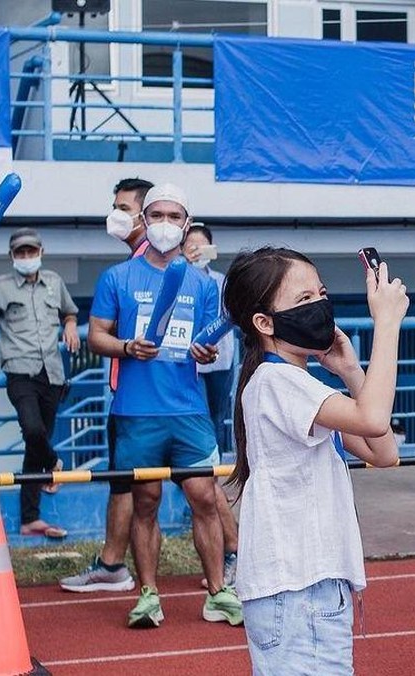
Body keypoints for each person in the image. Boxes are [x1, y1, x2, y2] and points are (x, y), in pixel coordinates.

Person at [223, 247, 406, 673]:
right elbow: (373, 417)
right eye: (303, 300)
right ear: (265, 323)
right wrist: (388, 325)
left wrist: (349, 370)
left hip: (311, 585)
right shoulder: (277, 381)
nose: (320, 306)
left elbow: (383, 450)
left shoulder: (297, 385)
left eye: (320, 294)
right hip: (298, 589)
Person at [87, 182, 243, 628]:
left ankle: (218, 593)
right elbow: (96, 336)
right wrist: (124, 347)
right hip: (136, 410)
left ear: (187, 225)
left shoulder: (203, 283)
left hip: (188, 410)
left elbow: (209, 341)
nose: (166, 225)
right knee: (146, 503)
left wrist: (206, 354)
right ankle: (148, 595)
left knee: (205, 498)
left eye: (175, 217)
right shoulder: (117, 277)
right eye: (157, 215)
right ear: (144, 220)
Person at [59, 176, 153, 593]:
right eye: (113, 205)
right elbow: (102, 334)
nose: (114, 214)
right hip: (130, 394)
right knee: (127, 484)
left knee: (201, 488)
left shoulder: (163, 264)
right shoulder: (124, 271)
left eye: (123, 207)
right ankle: (114, 565)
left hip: (163, 398)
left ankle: (232, 556)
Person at [0, 227, 80, 538]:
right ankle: (54, 462)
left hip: (53, 373)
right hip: (19, 372)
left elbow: (70, 312)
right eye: (21, 253)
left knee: (32, 448)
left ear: (41, 252)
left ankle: (30, 519)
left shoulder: (54, 282)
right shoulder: (0, 287)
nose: (27, 257)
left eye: (31, 252)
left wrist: (70, 326)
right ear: (12, 256)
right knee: (33, 430)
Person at [183, 224, 241, 588]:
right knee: (200, 469)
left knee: (207, 460)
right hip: (184, 372)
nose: (196, 250)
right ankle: (232, 549)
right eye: (191, 245)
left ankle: (233, 551)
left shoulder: (221, 282)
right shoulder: (178, 278)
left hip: (218, 367)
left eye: (202, 246)